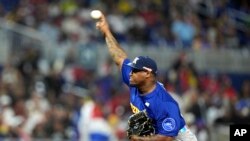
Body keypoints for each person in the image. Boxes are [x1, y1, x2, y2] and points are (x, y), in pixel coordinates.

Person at [95, 11, 198, 141]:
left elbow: (166, 138)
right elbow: (120, 58)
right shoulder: (134, 81)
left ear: (147, 74)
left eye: (136, 70)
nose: (131, 73)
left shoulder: (164, 103)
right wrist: (107, 32)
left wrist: (141, 139)